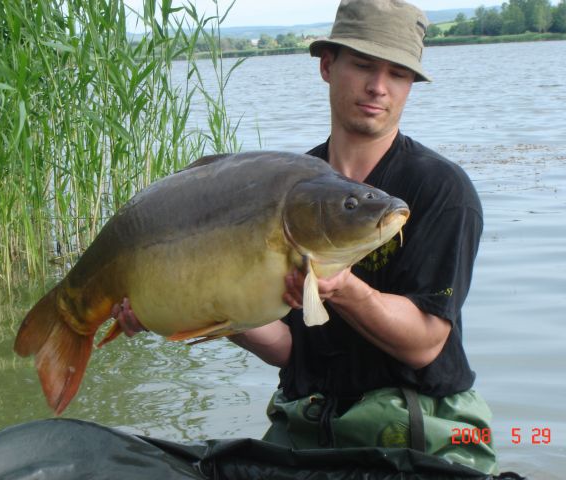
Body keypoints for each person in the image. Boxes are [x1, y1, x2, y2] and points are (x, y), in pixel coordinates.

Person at [113, 0, 499, 474]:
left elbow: (423, 343)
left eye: (397, 74)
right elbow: (291, 349)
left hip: (422, 423)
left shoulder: (441, 190)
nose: (378, 87)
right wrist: (204, 307)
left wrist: (341, 287)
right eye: (362, 65)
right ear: (327, 65)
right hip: (309, 417)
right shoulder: (292, 190)